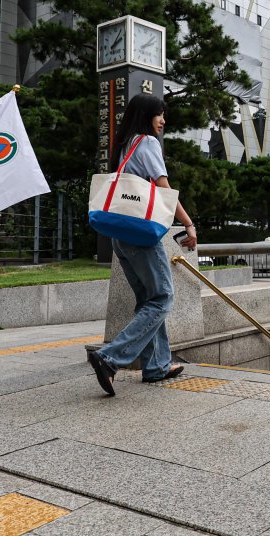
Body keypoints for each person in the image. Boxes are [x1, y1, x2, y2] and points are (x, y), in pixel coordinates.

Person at [87, 94, 197, 395]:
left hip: (120, 235)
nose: (163, 120)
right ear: (146, 115)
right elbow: (164, 188)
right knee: (162, 298)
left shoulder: (124, 145)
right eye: (159, 114)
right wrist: (188, 224)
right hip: (140, 234)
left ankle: (157, 365)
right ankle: (110, 358)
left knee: (149, 300)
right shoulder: (147, 143)